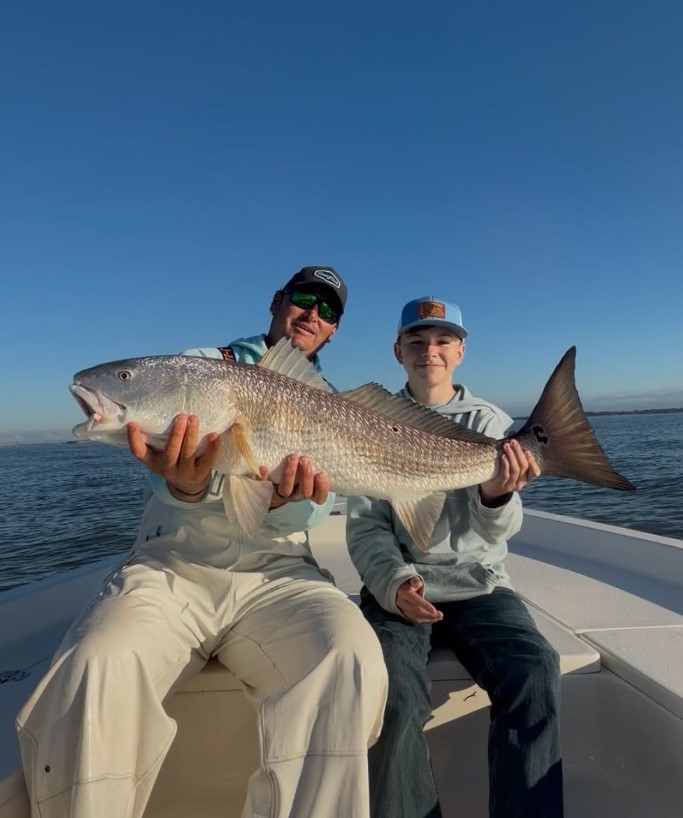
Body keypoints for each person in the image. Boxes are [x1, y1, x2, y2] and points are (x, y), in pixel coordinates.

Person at [17, 267, 388, 818]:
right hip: (172, 569)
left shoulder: (333, 407)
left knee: (350, 656)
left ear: (333, 332)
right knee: (96, 663)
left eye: (328, 311)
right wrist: (183, 483)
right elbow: (157, 469)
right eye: (304, 299)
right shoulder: (202, 366)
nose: (313, 313)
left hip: (278, 576)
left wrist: (286, 501)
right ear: (277, 301)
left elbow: (311, 511)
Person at [346, 296, 564, 818]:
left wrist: (497, 495)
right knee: (390, 694)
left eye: (443, 341)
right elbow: (365, 526)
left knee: (536, 668)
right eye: (417, 342)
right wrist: (395, 581)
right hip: (399, 590)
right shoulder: (363, 417)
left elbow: (503, 532)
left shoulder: (490, 423)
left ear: (461, 351)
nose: (430, 352)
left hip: (480, 584)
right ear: (398, 351)